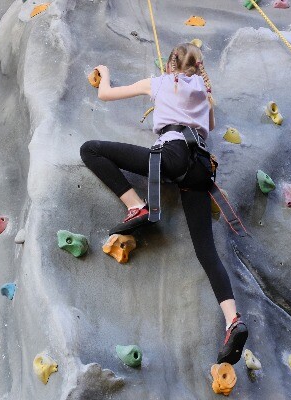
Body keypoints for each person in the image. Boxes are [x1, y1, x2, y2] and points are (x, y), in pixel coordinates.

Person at [79, 43, 248, 364]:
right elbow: (209, 126)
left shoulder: (157, 82)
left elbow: (106, 95)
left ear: (169, 65)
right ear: (197, 68)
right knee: (206, 251)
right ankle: (233, 321)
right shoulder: (203, 91)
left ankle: (135, 205)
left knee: (91, 149)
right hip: (200, 168)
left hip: (171, 155)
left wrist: (105, 74)